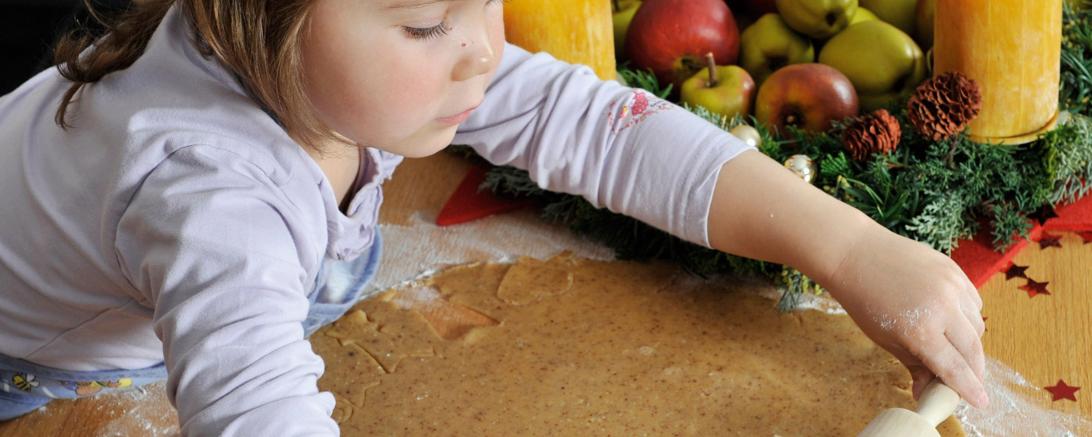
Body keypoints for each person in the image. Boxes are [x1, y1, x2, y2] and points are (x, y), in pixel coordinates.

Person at [0, 0, 989, 434]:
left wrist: (850, 243)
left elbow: (595, 125)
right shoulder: (210, 196)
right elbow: (254, 409)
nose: (481, 51)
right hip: (38, 365)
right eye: (428, 23)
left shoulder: (343, 60)